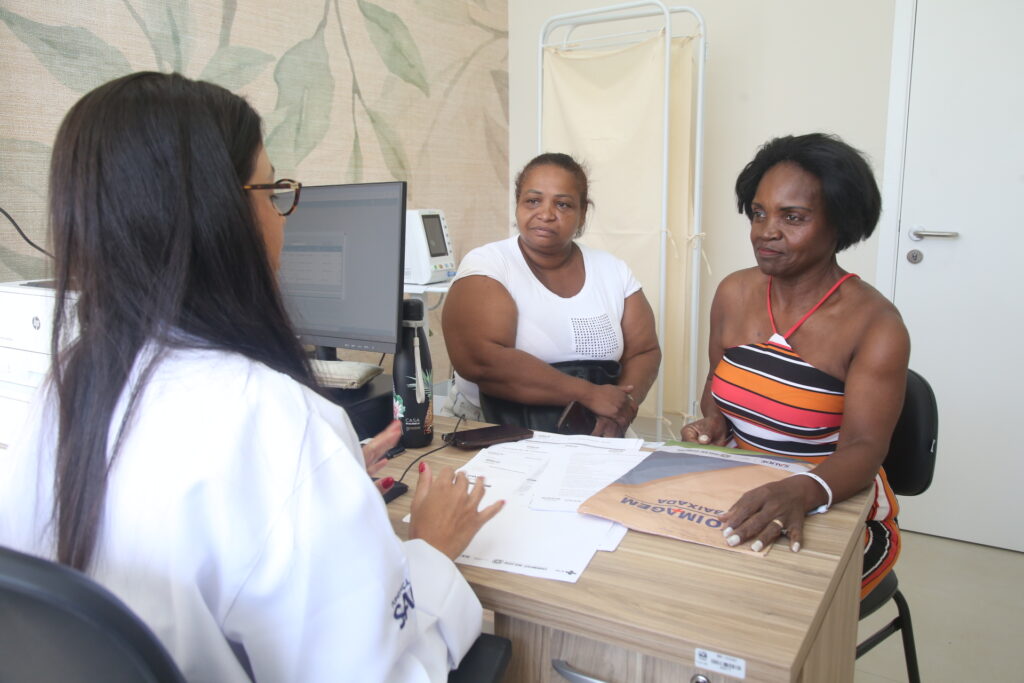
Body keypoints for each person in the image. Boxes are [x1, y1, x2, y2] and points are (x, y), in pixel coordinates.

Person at [0, 72, 503, 681]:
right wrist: (431, 548)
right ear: (219, 217)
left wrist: (325, 479)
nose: (282, 217)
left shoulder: (66, 385)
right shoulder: (273, 420)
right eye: (271, 192)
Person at [681, 133, 909, 597]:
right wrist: (714, 423)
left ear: (839, 223)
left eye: (793, 217)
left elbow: (865, 448)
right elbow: (716, 389)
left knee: (761, 604)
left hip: (834, 500)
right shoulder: (733, 292)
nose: (766, 231)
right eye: (758, 213)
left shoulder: (876, 324)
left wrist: (801, 490)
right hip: (745, 485)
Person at [441, 153, 661, 438]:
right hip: (492, 426)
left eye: (563, 204)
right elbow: (481, 361)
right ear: (518, 204)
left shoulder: (613, 270)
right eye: (533, 201)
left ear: (583, 212)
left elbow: (644, 351)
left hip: (595, 429)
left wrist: (621, 408)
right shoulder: (489, 264)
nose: (546, 214)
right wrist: (588, 394)